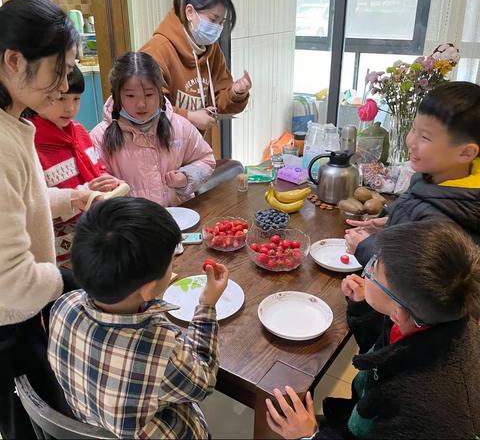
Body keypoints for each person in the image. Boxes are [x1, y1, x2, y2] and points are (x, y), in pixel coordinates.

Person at [266, 221, 480, 439]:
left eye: (374, 267)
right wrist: (366, 306)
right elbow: (386, 352)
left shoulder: (422, 408)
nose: (367, 270)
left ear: (398, 311)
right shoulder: (441, 314)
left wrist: (308, 435)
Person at [48, 197, 228, 439]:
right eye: (171, 262)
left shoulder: (62, 306)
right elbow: (203, 384)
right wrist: (206, 305)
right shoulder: (161, 346)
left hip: (95, 422)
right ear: (147, 288)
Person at [0, 0, 97, 438]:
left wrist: (74, 197)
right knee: (34, 421)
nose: (63, 87)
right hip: (8, 324)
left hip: (24, 312)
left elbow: (26, 198)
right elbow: (12, 280)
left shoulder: (15, 120)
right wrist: (75, 281)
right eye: (57, 71)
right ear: (14, 60)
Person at [345, 81, 480, 267]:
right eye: (414, 129)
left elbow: (414, 278)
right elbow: (418, 216)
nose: (411, 142)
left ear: (466, 153)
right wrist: (394, 220)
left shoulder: (449, 223)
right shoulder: (433, 176)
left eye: (425, 137)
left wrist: (365, 247)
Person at [90, 51, 216, 206]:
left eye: (149, 95)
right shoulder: (99, 136)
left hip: (177, 219)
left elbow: (206, 159)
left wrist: (186, 177)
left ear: (160, 93)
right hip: (129, 224)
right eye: (131, 96)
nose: (141, 104)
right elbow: (94, 181)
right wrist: (110, 188)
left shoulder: (178, 126)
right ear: (117, 96)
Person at [30, 64, 122, 264]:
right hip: (59, 251)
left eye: (76, 99)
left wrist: (107, 181)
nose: (70, 108)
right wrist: (86, 190)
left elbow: (97, 168)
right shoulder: (33, 144)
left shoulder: (79, 131)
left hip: (91, 235)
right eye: (61, 98)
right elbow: (37, 203)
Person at [141, 0, 252, 131]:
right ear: (190, 12)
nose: (217, 28)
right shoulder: (157, 51)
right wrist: (190, 117)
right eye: (213, 20)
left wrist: (236, 93)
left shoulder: (211, 50)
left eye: (221, 22)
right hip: (158, 149)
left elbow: (220, 101)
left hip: (191, 147)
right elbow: (147, 109)